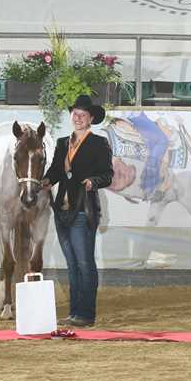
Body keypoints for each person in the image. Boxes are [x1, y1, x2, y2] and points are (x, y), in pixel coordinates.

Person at [42, 95, 113, 327]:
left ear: (91, 119)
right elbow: (55, 171)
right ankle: (75, 313)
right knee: (72, 265)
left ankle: (86, 314)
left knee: (84, 263)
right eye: (75, 114)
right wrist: (46, 181)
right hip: (62, 211)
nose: (78, 117)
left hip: (83, 209)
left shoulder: (99, 143)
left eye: (83, 115)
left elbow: (107, 175)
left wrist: (94, 181)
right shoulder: (63, 143)